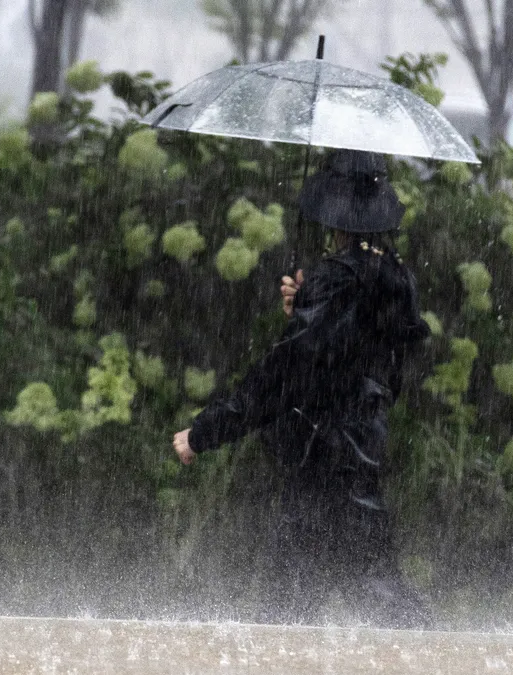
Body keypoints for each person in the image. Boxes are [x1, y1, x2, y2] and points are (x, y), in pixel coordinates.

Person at [171, 149, 433, 629]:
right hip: (356, 453)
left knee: (328, 607)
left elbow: (284, 373)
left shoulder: (337, 277)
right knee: (314, 605)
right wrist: (309, 312)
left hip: (327, 456)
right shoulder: (394, 275)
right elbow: (382, 365)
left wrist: (207, 430)